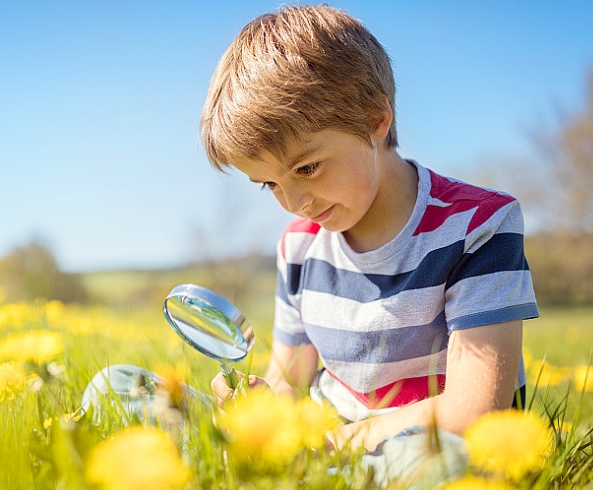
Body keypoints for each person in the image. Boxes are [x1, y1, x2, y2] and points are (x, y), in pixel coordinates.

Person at [201, 3, 538, 485]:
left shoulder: (478, 226)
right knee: (125, 387)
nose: (295, 202)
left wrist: (341, 443)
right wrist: (261, 404)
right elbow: (290, 379)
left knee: (438, 465)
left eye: (307, 168)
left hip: (426, 448)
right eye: (269, 184)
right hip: (327, 452)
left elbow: (476, 411)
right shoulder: (299, 247)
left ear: (377, 119)